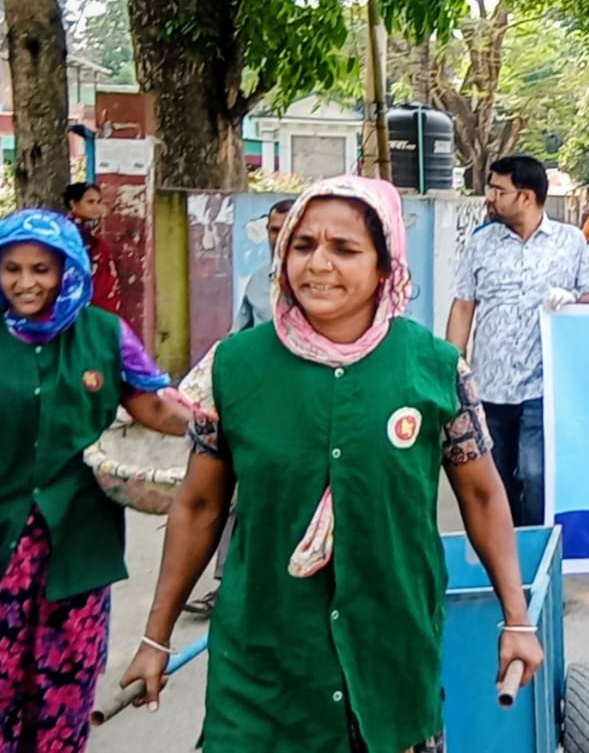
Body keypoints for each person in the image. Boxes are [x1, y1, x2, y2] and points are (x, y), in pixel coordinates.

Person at [121, 176, 544, 751]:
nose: (318, 264)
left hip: (392, 653)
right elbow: (198, 506)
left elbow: (482, 495)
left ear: (384, 265)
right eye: (303, 245)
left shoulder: (434, 368)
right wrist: (156, 636)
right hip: (265, 660)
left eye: (344, 249)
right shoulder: (234, 367)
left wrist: (516, 619)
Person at [0, 208, 193, 753]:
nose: (26, 283)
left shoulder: (104, 335)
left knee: (65, 681)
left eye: (41, 269)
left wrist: (216, 428)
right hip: (6, 541)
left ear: (67, 271)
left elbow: (154, 407)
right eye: (12, 269)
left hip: (78, 543)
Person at [447, 156, 589, 527]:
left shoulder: (570, 241)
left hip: (542, 383)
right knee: (496, 476)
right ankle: (507, 544)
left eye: (499, 191)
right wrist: (453, 367)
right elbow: (463, 305)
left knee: (536, 474)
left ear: (527, 197)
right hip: (489, 384)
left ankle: (537, 545)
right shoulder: (481, 243)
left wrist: (571, 300)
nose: (491, 198)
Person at [186, 197, 294, 617]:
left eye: (286, 229)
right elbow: (237, 342)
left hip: (308, 410)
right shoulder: (256, 283)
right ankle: (227, 586)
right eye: (272, 230)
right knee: (234, 495)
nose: (277, 238)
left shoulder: (321, 282)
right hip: (258, 408)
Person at [232, 199, 294, 332]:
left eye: (287, 230)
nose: (280, 238)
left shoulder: (319, 281)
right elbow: (238, 333)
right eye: (275, 230)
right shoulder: (258, 280)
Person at [64, 181, 122, 314]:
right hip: (82, 305)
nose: (96, 207)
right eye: (90, 202)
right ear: (73, 204)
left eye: (98, 202)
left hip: (101, 302)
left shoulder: (91, 233)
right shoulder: (68, 235)